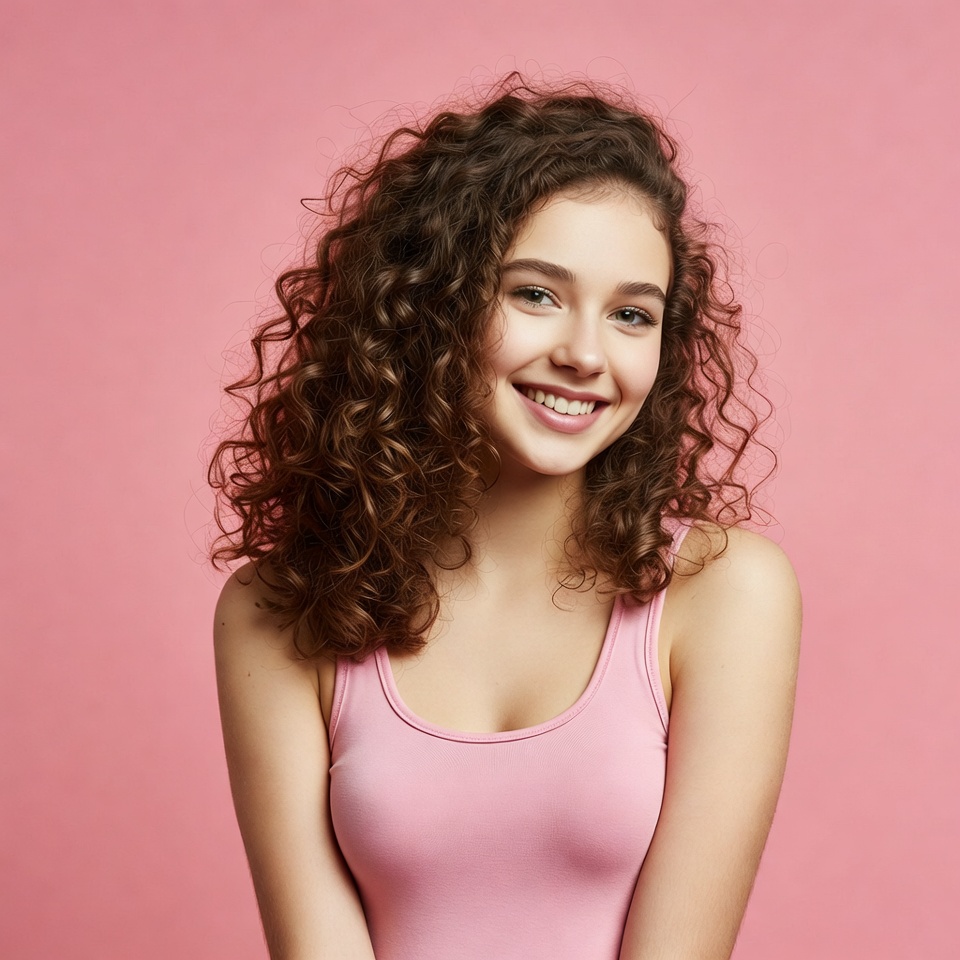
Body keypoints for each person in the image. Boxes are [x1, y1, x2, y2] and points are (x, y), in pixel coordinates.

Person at [209, 73, 801, 960]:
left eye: (632, 314)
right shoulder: (277, 610)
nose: (584, 354)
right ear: (428, 303)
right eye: (535, 294)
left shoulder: (727, 594)